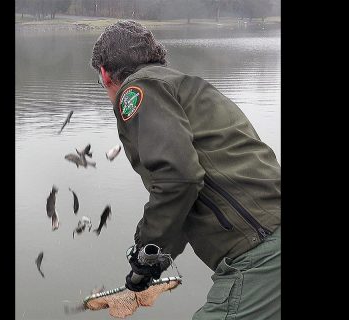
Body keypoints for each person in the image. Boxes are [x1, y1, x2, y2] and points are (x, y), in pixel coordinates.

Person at [90, 20, 281, 320]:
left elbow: (178, 178)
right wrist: (152, 262)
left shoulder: (139, 89)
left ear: (104, 73)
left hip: (261, 252)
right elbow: (183, 195)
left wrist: (145, 250)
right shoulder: (184, 85)